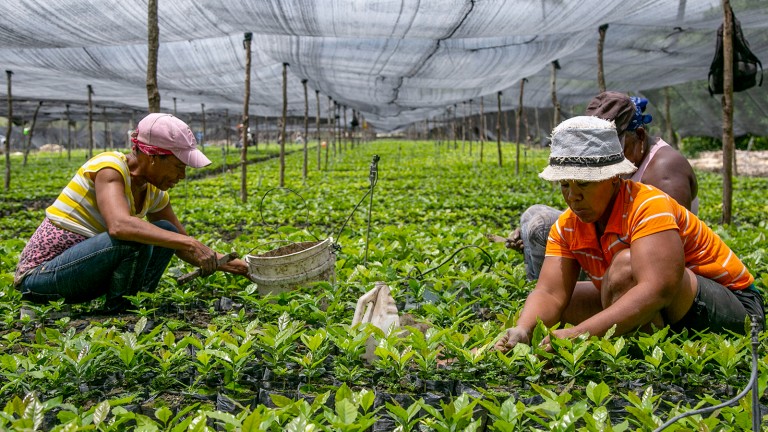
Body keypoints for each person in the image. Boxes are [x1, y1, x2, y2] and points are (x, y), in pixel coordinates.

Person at [495, 116, 764, 353]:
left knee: (625, 268)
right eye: (565, 184)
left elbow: (658, 288)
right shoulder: (567, 226)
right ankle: (639, 338)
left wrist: (580, 334)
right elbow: (550, 292)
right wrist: (524, 330)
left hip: (735, 308)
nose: (572, 196)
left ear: (614, 178)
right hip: (674, 306)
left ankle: (643, 361)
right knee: (561, 306)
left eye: (585, 184)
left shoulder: (648, 205)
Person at [14, 113, 253, 313]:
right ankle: (119, 313)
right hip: (40, 277)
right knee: (133, 237)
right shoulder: (109, 167)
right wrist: (189, 241)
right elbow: (120, 226)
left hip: (79, 273)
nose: (182, 176)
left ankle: (134, 307)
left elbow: (181, 245)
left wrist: (242, 268)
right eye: (179, 166)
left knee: (165, 231)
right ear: (152, 157)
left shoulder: (153, 192)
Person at [507, 91, 698, 281]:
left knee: (541, 226)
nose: (599, 157)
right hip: (612, 246)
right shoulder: (623, 163)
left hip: (635, 265)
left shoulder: (664, 171)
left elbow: (668, 253)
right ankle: (539, 290)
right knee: (533, 216)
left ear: (639, 135)